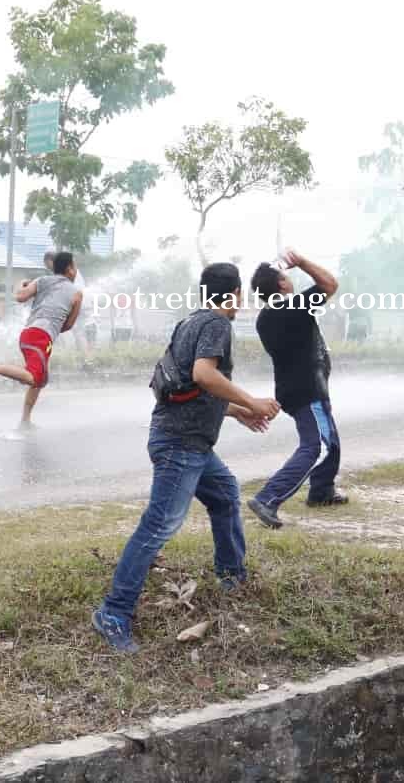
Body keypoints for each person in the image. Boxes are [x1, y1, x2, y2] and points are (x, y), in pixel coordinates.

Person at [90, 262, 279, 654]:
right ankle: (113, 611)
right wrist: (253, 401)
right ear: (236, 294)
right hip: (181, 444)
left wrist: (236, 412)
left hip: (185, 440)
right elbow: (205, 375)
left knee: (225, 494)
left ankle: (232, 578)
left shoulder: (189, 321)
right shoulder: (217, 323)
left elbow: (187, 388)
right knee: (159, 525)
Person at [245, 249, 344, 529]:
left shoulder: (267, 315)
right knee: (318, 446)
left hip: (297, 388)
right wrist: (300, 262)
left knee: (330, 439)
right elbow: (330, 284)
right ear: (282, 284)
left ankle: (322, 491)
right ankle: (267, 498)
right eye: (286, 276)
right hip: (307, 390)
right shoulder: (292, 307)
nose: (290, 279)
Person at [0, 250, 83, 431]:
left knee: (40, 380)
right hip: (41, 338)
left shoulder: (42, 280)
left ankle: (25, 421)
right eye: (75, 266)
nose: (76, 270)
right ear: (69, 269)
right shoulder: (76, 294)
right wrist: (54, 326)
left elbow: (20, 296)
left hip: (29, 333)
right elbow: (69, 325)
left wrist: (21, 284)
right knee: (34, 378)